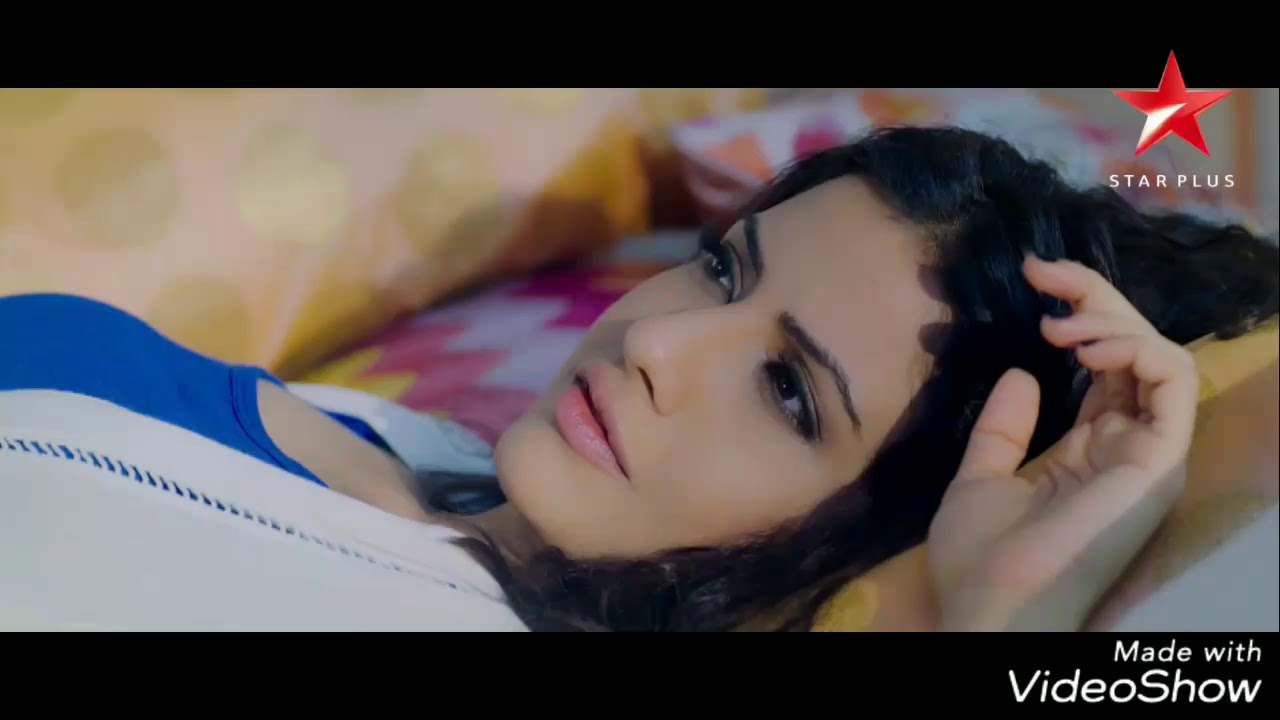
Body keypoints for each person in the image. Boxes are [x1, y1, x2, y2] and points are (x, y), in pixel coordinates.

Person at [1, 125, 1276, 632]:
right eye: (722, 270)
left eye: (788, 392)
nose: (655, 345)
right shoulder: (413, 451)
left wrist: (1008, 621)